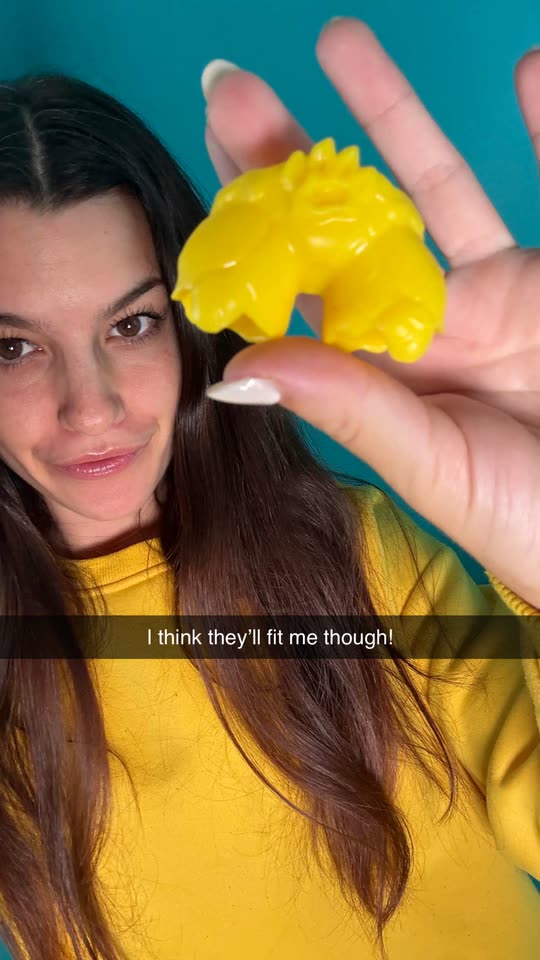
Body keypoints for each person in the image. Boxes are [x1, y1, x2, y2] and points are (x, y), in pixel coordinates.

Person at [0, 14, 538, 960]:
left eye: (131, 326)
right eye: (12, 348)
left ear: (190, 322)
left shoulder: (352, 555)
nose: (92, 408)